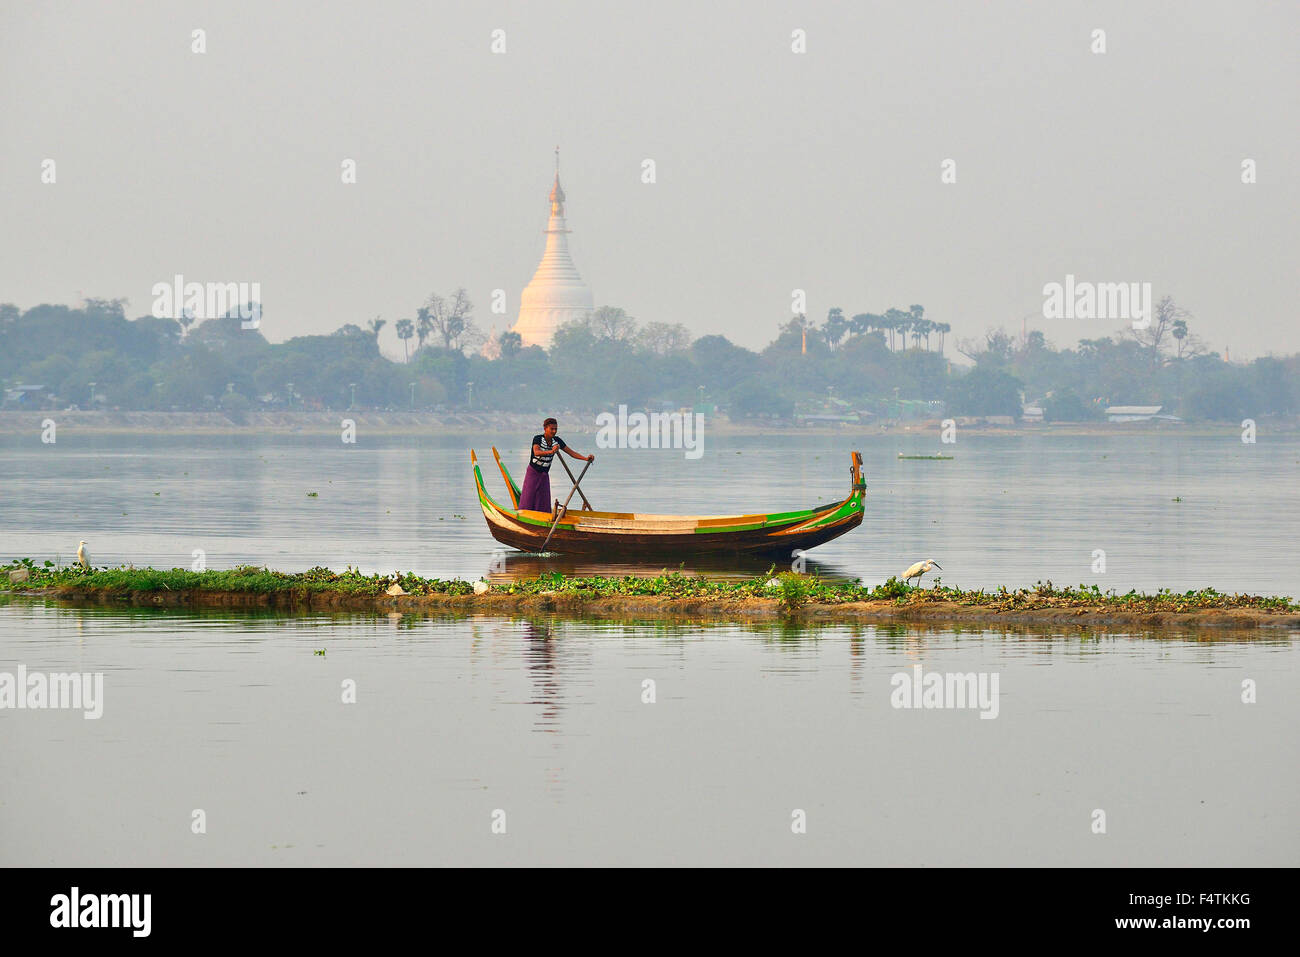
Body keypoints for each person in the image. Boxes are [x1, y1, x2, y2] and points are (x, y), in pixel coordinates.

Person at [519, 417, 593, 513]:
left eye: (556, 429)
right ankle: (524, 513)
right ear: (545, 428)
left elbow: (571, 453)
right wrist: (551, 451)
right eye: (552, 429)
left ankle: (542, 516)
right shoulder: (538, 438)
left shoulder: (557, 441)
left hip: (544, 474)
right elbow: (536, 452)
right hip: (533, 473)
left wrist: (586, 458)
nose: (554, 431)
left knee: (543, 499)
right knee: (528, 497)